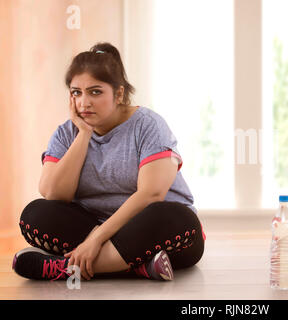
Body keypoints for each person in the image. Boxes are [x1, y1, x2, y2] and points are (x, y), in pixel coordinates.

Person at [12, 42, 205, 282]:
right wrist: (83, 134)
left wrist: (96, 239)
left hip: (154, 230)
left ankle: (67, 268)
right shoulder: (66, 133)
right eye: (76, 92)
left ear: (119, 93)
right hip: (95, 226)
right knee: (35, 214)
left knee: (174, 217)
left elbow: (151, 195)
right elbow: (54, 193)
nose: (84, 102)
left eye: (95, 91)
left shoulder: (148, 126)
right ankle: (138, 266)